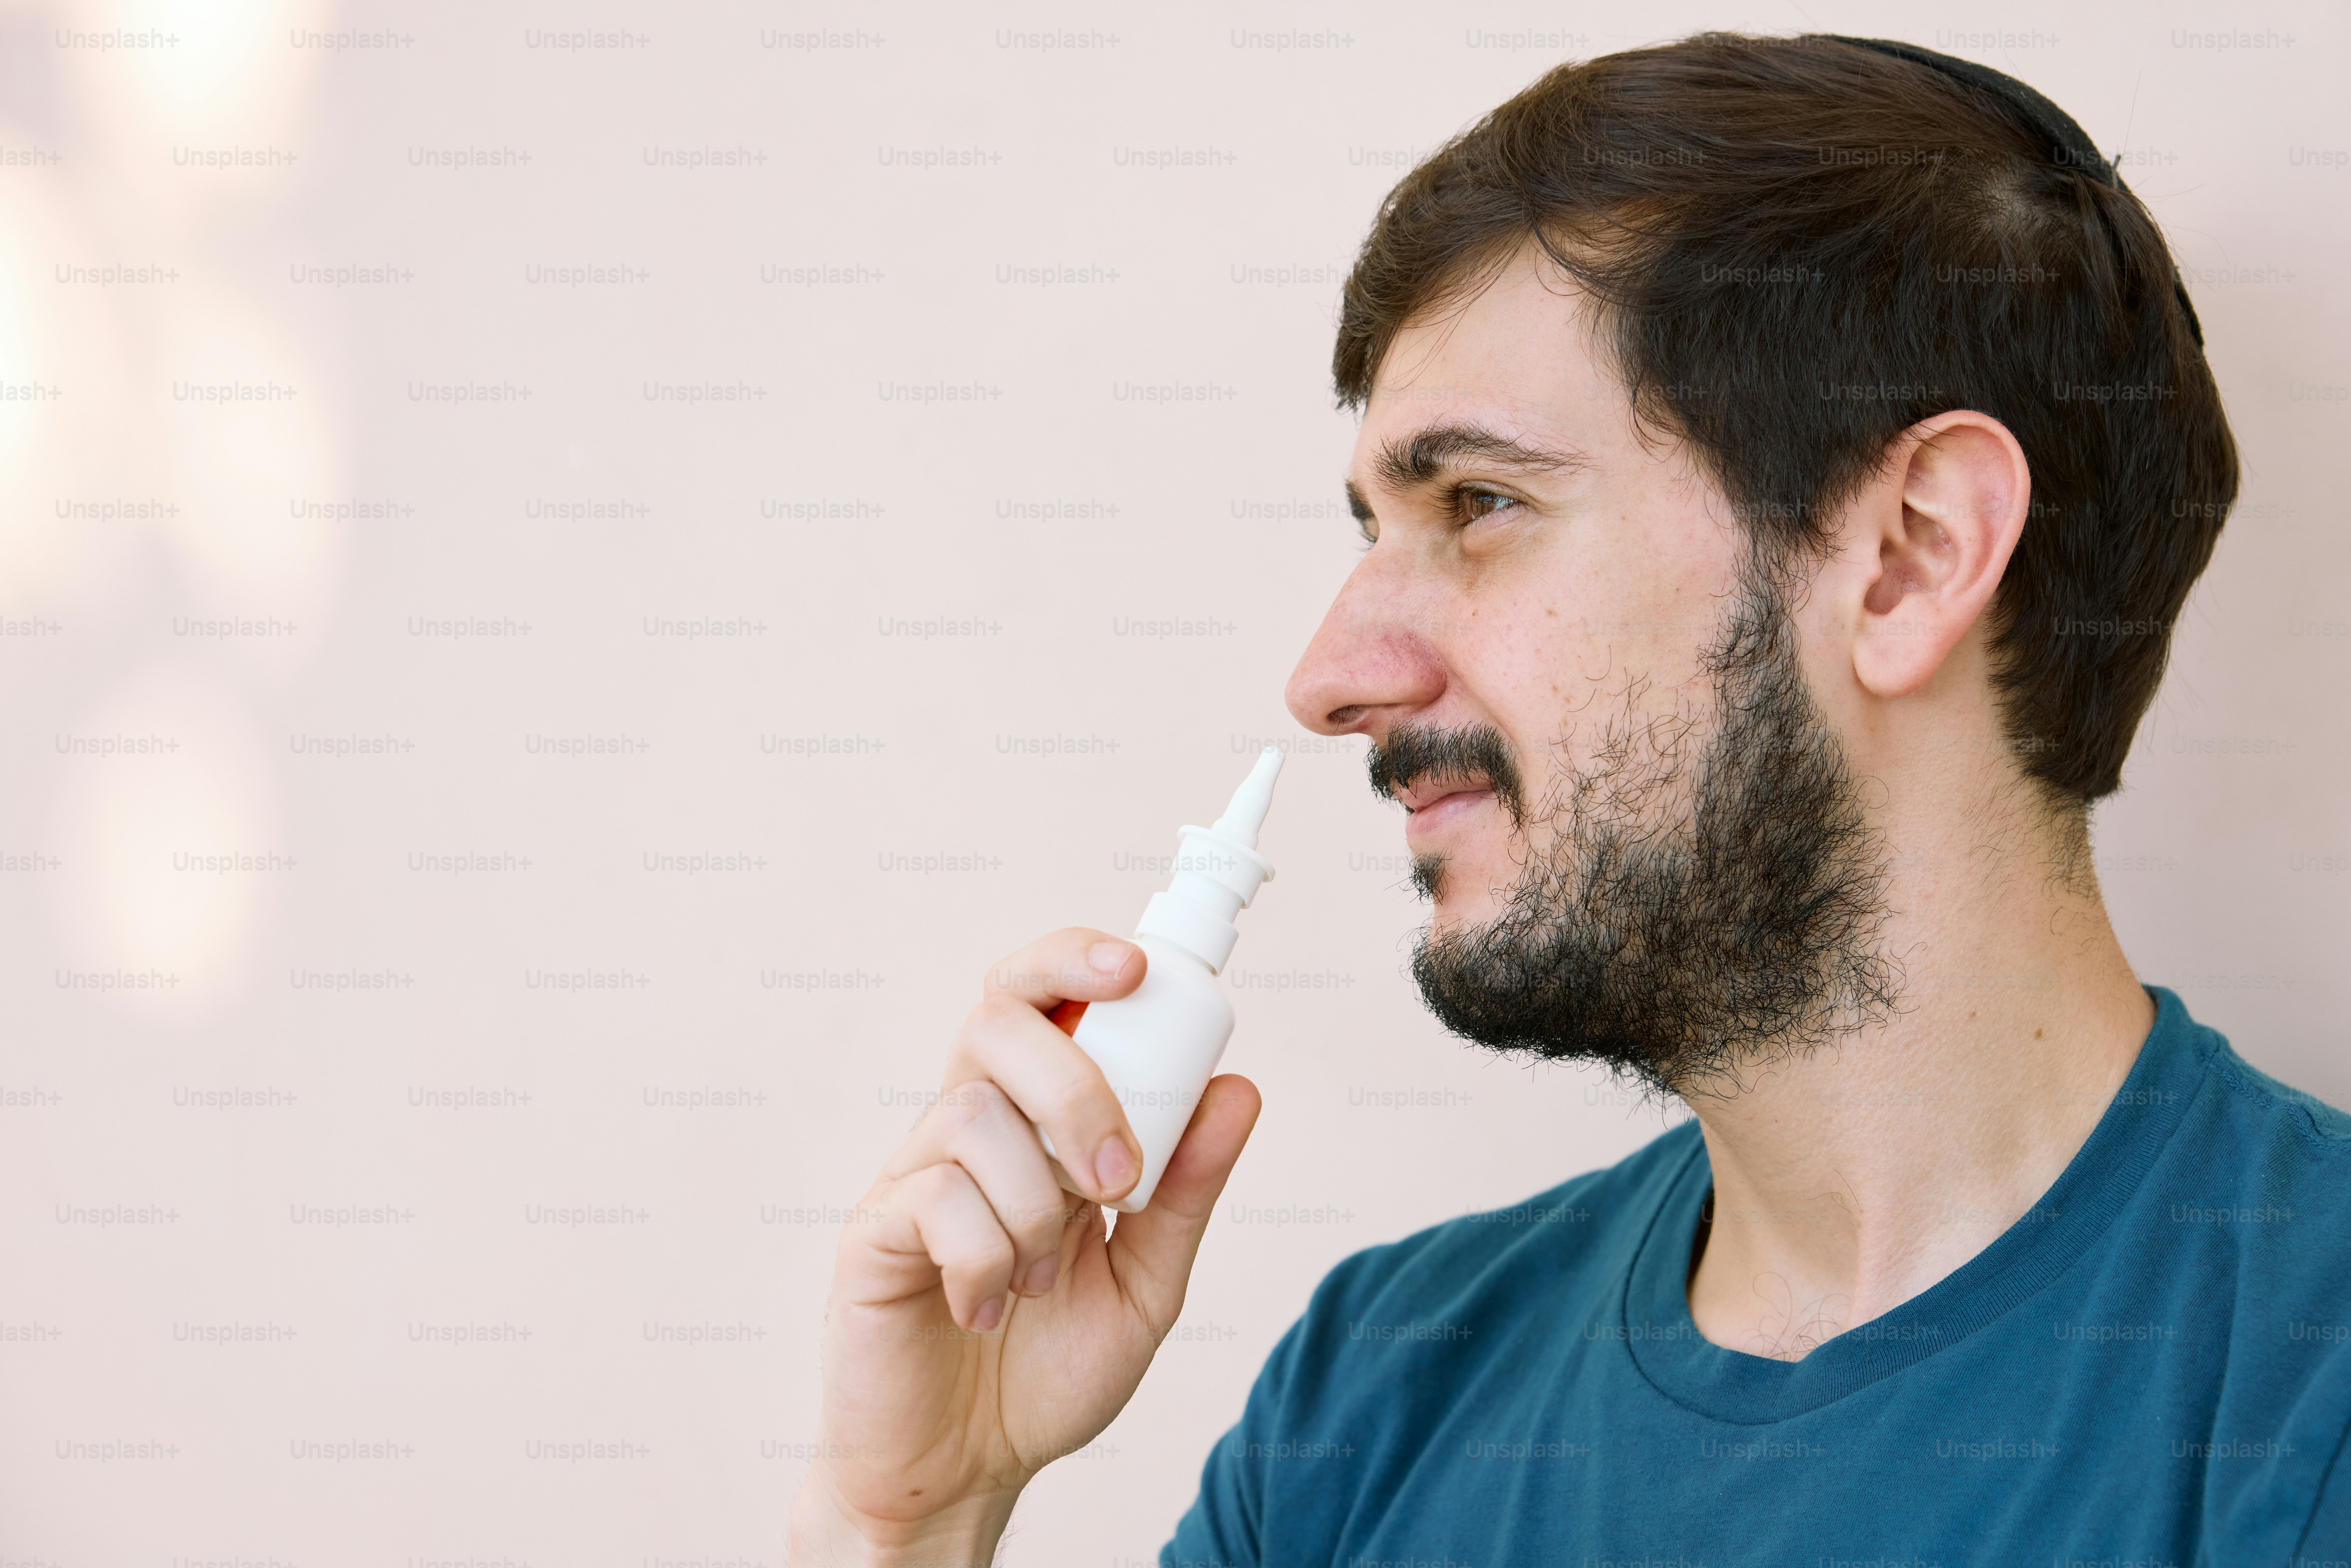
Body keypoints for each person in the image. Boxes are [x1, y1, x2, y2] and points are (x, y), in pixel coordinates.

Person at [791, 33, 2351, 1564]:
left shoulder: (2304, 1395)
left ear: (1909, 556)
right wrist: (906, 1519)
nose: (1330, 677)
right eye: (1374, 529)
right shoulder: (1376, 1400)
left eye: (1480, 502)